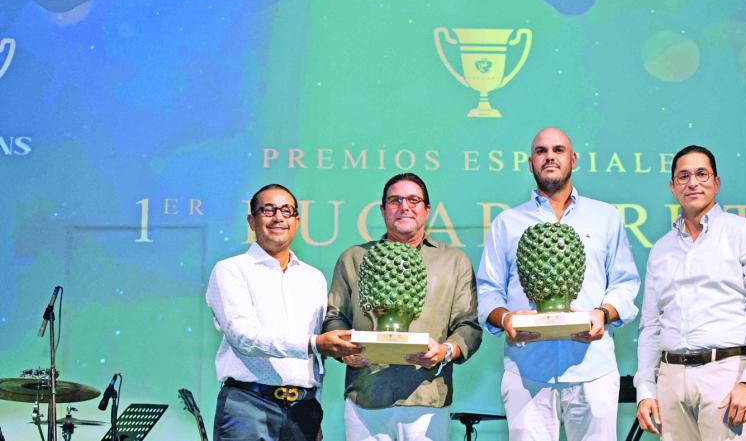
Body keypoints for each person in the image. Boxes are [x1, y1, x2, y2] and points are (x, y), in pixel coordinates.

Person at [476, 127, 640, 441]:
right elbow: (488, 289)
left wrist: (602, 314)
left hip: (593, 368)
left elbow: (625, 283)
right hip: (527, 370)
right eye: (541, 151)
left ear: (573, 159)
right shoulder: (507, 223)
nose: (550, 156)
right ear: (530, 162)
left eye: (558, 150)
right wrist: (506, 318)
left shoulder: (605, 217)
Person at [634, 145, 746, 441]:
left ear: (716, 182)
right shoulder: (660, 250)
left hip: (727, 377)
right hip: (671, 380)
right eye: (683, 176)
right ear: (672, 187)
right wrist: (645, 390)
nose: (693, 182)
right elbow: (651, 326)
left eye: (702, 174)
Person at [324, 173, 482, 441]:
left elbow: (468, 326)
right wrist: (344, 352)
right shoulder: (354, 258)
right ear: (383, 209)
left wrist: (445, 351)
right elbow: (335, 318)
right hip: (366, 394)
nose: (404, 206)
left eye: (413, 200)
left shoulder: (454, 261)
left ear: (426, 210)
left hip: (427, 397)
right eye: (395, 200)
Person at [206, 183, 361, 441]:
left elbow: (316, 360)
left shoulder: (313, 278)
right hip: (248, 406)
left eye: (286, 211)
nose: (278, 217)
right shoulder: (230, 270)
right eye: (268, 210)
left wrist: (316, 406)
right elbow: (243, 337)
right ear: (251, 220)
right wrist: (313, 343)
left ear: (297, 221)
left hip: (303, 410)